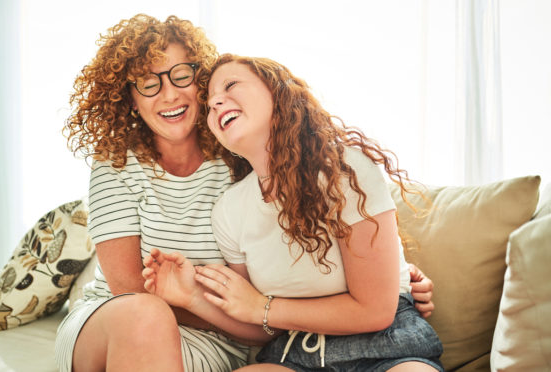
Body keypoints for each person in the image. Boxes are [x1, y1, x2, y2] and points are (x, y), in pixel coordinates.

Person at [55, 13, 435, 372]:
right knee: (144, 314)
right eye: (148, 83)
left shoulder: (240, 157)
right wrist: (216, 305)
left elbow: (288, 268)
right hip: (122, 321)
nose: (168, 94)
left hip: (219, 336)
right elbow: (129, 291)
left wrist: (393, 277)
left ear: (200, 84)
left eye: (181, 75)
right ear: (130, 99)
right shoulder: (118, 163)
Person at [142, 54, 443, 371]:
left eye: (230, 86)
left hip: (388, 347)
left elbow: (374, 311)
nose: (216, 102)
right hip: (294, 353)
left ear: (278, 92)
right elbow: (259, 327)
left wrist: (262, 306)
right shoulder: (229, 211)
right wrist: (192, 296)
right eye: (210, 104)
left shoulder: (344, 170)